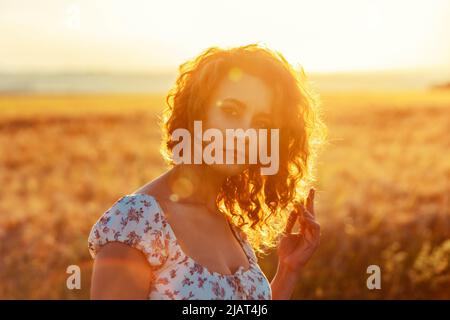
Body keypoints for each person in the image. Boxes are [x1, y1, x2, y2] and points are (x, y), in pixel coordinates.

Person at [88, 43, 326, 299]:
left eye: (261, 123)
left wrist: (289, 270)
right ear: (197, 111)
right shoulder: (138, 222)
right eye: (231, 111)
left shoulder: (230, 228)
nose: (244, 134)